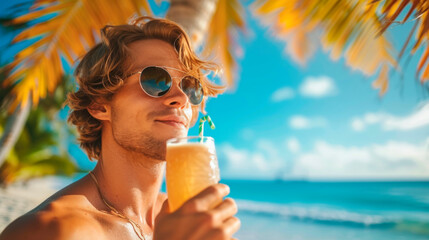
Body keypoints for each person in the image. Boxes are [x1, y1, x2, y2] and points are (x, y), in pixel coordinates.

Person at [0, 17, 240, 240]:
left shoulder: (192, 219)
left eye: (190, 86)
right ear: (99, 104)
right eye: (156, 80)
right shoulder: (50, 230)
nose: (181, 98)